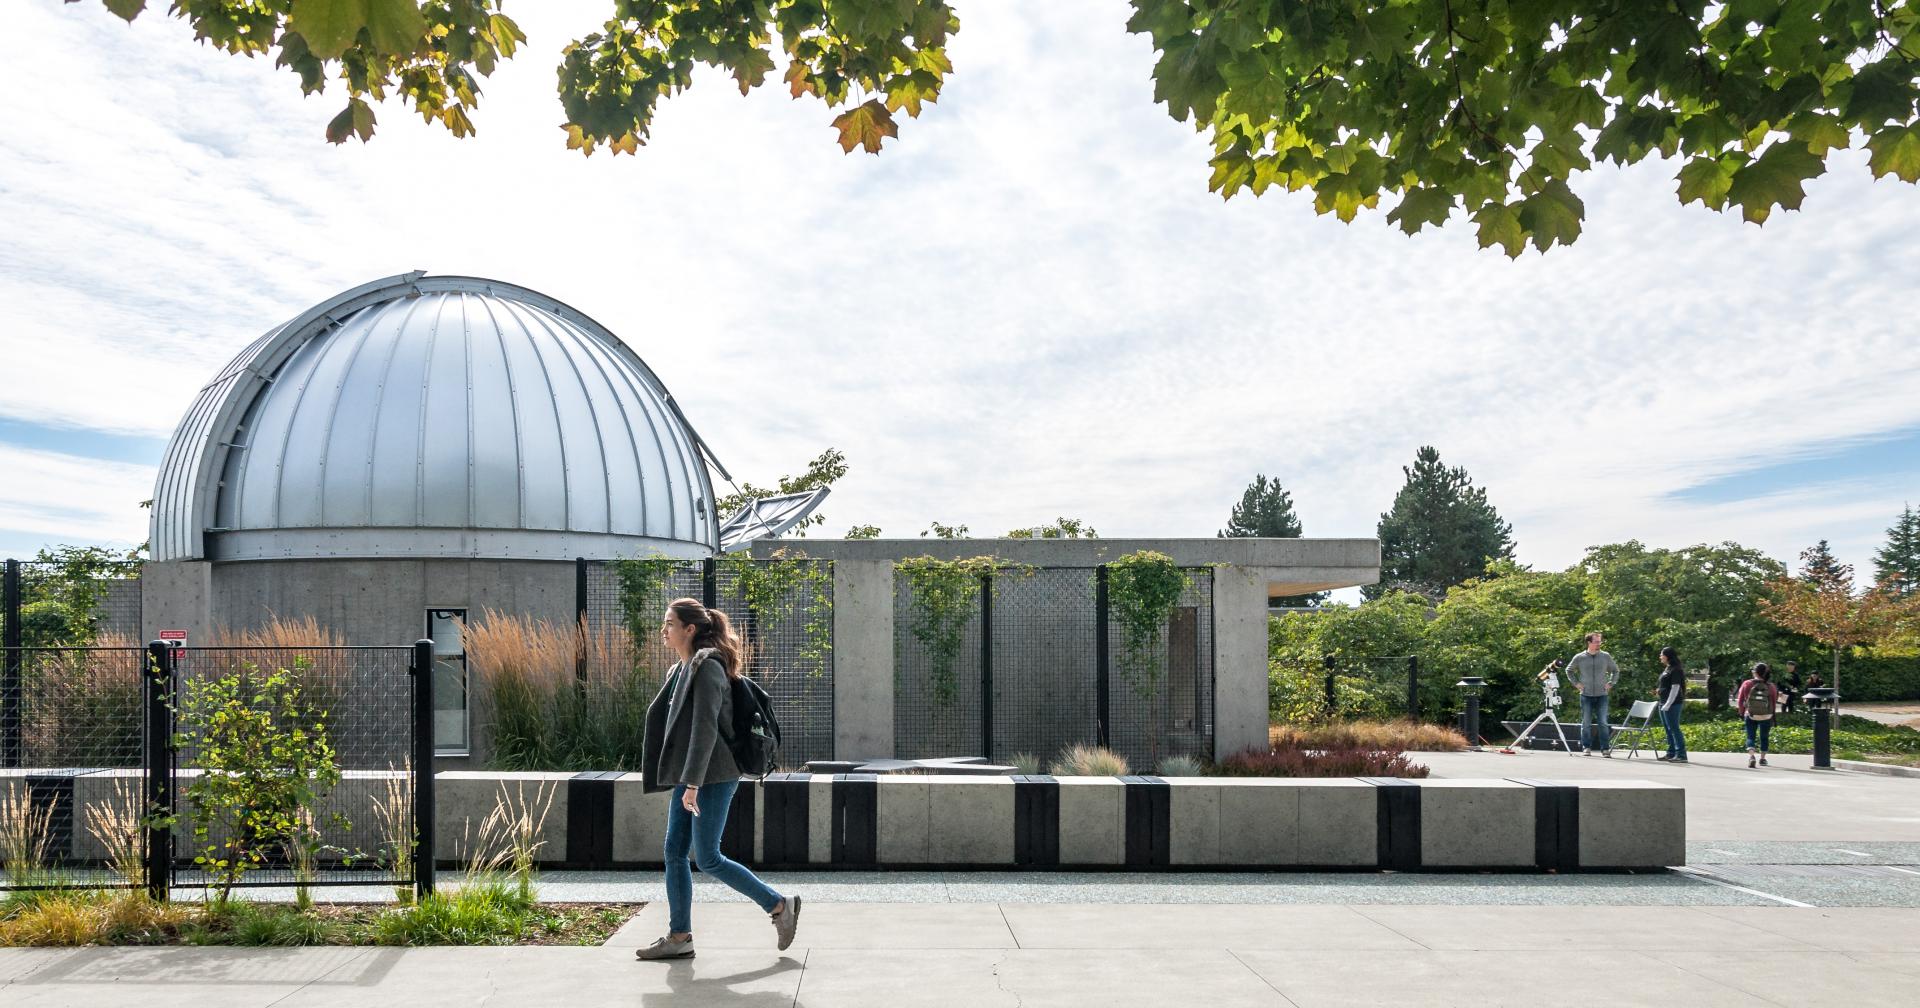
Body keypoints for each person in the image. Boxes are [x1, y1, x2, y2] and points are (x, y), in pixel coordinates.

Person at [635, 598, 800, 961]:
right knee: (674, 852)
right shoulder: (680, 670)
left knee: (708, 857)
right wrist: (686, 778)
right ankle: (680, 936)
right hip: (691, 774)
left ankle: (778, 906)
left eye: (670, 624)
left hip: (714, 775)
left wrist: (692, 783)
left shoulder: (707, 666)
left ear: (689, 629)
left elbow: (705, 728)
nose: (664, 630)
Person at [1566, 632, 1620, 756]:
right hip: (1586, 695)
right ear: (1589, 642)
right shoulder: (1579, 657)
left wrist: (1611, 683)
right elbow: (1568, 670)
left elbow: (1615, 670)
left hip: (1602, 695)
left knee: (1603, 722)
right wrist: (1576, 683)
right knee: (1586, 722)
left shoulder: (1606, 656)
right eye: (1596, 641)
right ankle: (1586, 747)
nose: (1599, 644)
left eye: (1600, 641)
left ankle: (1605, 749)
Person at [1736, 662, 1781, 769]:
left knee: (1750, 736)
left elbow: (1740, 700)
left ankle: (1752, 756)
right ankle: (1763, 759)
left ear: (1755, 672)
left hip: (1750, 714)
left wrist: (1742, 712)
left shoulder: (1747, 683)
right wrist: (1773, 715)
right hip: (1766, 715)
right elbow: (1774, 702)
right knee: (1764, 737)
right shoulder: (1771, 686)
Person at [1654, 646, 1689, 763]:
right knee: (1668, 729)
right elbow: (1666, 685)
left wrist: (1668, 704)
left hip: (1672, 704)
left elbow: (1675, 688)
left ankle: (1681, 755)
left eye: (1661, 654)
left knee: (1674, 728)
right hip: (1662, 702)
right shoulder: (1667, 668)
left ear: (1668, 656)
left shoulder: (1676, 669)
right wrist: (1659, 690)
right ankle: (1671, 753)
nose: (1660, 657)